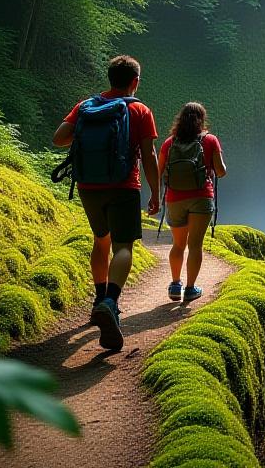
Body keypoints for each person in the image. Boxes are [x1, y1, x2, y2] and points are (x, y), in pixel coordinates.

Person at [52, 55, 160, 350]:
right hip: (123, 187)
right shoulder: (139, 110)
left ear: (110, 77)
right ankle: (111, 301)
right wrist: (156, 192)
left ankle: (99, 298)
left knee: (101, 240)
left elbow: (59, 138)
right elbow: (149, 156)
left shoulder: (86, 106)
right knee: (123, 247)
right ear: (134, 81)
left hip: (88, 186)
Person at [156, 102, 227, 302]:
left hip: (175, 198)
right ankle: (189, 289)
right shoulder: (210, 140)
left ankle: (175, 284)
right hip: (201, 199)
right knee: (195, 245)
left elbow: (158, 172)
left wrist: (155, 196)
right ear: (201, 120)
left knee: (178, 245)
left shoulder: (169, 143)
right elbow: (220, 172)